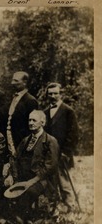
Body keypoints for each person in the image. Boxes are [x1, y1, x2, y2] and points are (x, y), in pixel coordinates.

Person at [4, 110, 60, 221]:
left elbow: (50, 167)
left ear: (42, 123)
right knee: (3, 186)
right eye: (29, 120)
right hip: (21, 178)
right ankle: (9, 219)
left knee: (29, 193)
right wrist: (11, 175)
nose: (30, 123)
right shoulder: (25, 140)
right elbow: (15, 159)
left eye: (34, 120)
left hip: (41, 180)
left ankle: (25, 223)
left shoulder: (50, 141)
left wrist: (32, 181)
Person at [44, 82, 79, 211]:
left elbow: (73, 134)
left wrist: (66, 152)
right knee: (51, 182)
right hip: (49, 153)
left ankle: (71, 206)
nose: (53, 96)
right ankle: (54, 208)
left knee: (64, 181)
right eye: (50, 94)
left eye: (55, 93)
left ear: (60, 94)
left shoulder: (68, 111)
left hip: (62, 153)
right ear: (47, 95)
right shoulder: (45, 112)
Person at [6, 71, 38, 158]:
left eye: (16, 81)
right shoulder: (12, 98)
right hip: (10, 140)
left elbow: (33, 125)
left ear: (24, 82)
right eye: (12, 80)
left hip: (22, 142)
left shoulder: (30, 101)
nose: (12, 83)